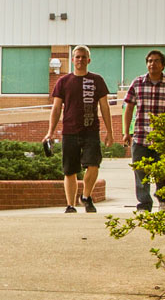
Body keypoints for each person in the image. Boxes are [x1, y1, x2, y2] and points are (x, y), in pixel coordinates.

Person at [44, 45, 117, 213]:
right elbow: (56, 109)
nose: (80, 60)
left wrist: (110, 133)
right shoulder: (63, 81)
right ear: (72, 60)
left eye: (84, 57)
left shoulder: (97, 80)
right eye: (77, 57)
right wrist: (50, 132)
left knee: (93, 165)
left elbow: (105, 107)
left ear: (89, 60)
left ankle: (86, 196)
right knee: (70, 170)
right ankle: (70, 205)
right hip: (69, 131)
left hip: (91, 131)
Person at [121, 50, 165, 212]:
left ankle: (163, 200)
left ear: (163, 65)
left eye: (156, 61)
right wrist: (126, 132)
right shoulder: (138, 83)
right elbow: (128, 108)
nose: (152, 64)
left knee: (163, 172)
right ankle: (144, 204)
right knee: (141, 173)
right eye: (149, 61)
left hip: (163, 138)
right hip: (141, 137)